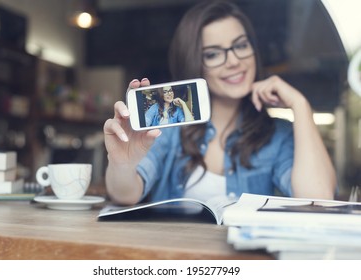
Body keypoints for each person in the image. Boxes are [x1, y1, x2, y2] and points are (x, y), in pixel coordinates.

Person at [103, 0, 336, 206]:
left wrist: (301, 105)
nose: (234, 61)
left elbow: (319, 199)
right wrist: (122, 163)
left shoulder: (277, 134)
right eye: (213, 54)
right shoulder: (168, 127)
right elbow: (125, 195)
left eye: (241, 45)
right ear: (196, 64)